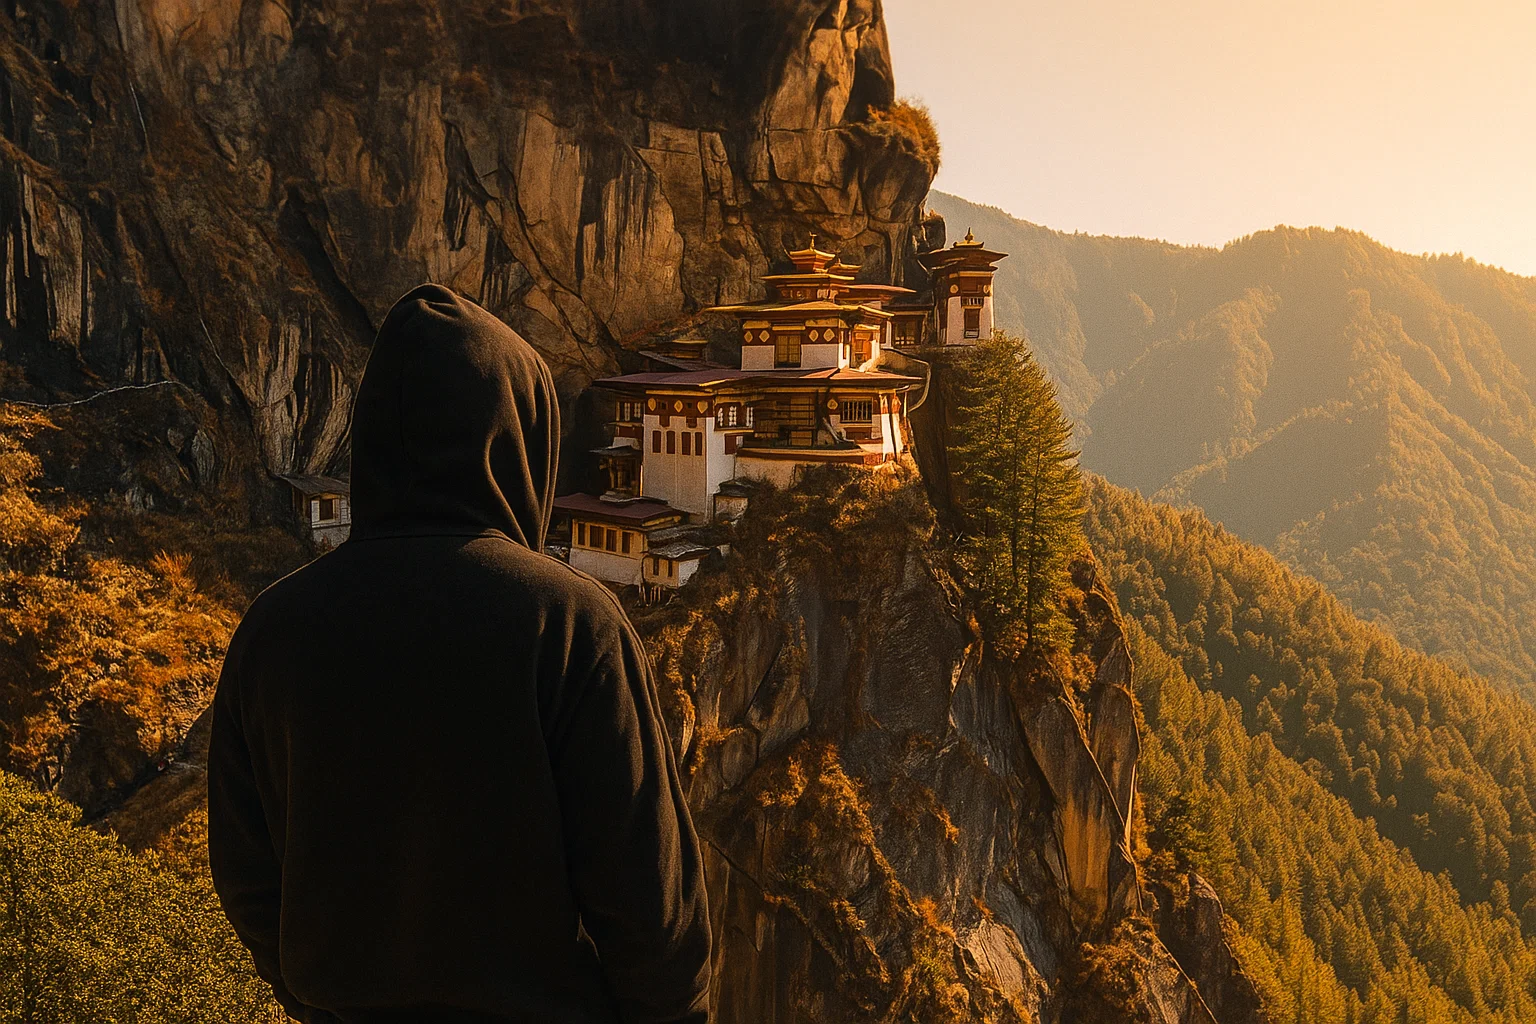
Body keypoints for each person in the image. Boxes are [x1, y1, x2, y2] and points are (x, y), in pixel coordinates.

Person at [207, 284, 712, 1023]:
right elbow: (653, 911)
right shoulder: (567, 625)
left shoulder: (274, 630)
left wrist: (320, 1004)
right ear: (519, 439)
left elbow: (248, 879)